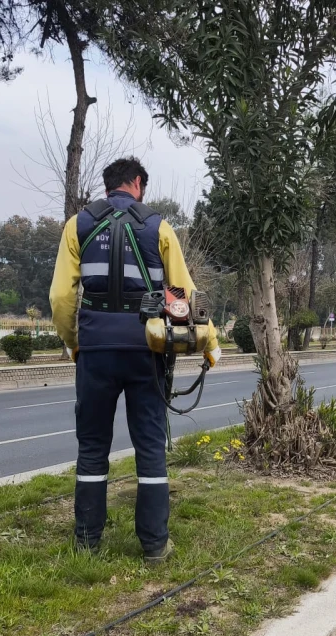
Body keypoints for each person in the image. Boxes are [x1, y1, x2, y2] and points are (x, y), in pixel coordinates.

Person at [49, 157, 220, 562]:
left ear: (108, 187)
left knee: (92, 446)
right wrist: (209, 342)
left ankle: (87, 543)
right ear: (138, 184)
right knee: (149, 446)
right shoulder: (158, 227)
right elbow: (182, 294)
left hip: (95, 353)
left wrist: (76, 343)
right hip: (148, 352)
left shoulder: (78, 225)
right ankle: (155, 545)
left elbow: (60, 298)